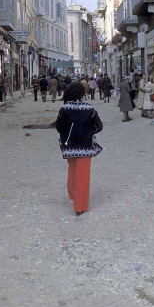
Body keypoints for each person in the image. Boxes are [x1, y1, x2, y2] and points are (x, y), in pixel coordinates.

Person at [55, 82, 103, 216]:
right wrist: (89, 132)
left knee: (72, 170)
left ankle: (73, 195)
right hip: (85, 146)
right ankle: (79, 206)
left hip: (69, 146)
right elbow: (99, 126)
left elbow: (59, 127)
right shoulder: (89, 109)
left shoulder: (64, 109)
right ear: (83, 93)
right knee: (83, 175)